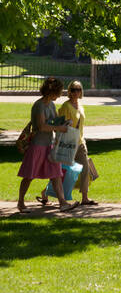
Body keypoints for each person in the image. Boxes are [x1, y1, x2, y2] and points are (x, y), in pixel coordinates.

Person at [16, 77, 74, 212]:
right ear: (52, 92)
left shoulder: (51, 105)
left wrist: (65, 123)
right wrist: (60, 128)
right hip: (38, 145)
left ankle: (62, 202)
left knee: (56, 174)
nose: (60, 95)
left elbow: (54, 122)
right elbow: (42, 126)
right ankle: (20, 203)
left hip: (49, 144)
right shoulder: (39, 105)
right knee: (29, 175)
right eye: (59, 92)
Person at [40, 81, 96, 207]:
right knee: (61, 171)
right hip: (68, 143)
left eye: (79, 89)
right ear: (69, 91)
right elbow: (60, 124)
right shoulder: (66, 106)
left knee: (85, 168)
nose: (76, 92)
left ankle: (85, 197)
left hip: (80, 142)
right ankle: (45, 192)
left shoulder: (80, 105)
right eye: (74, 89)